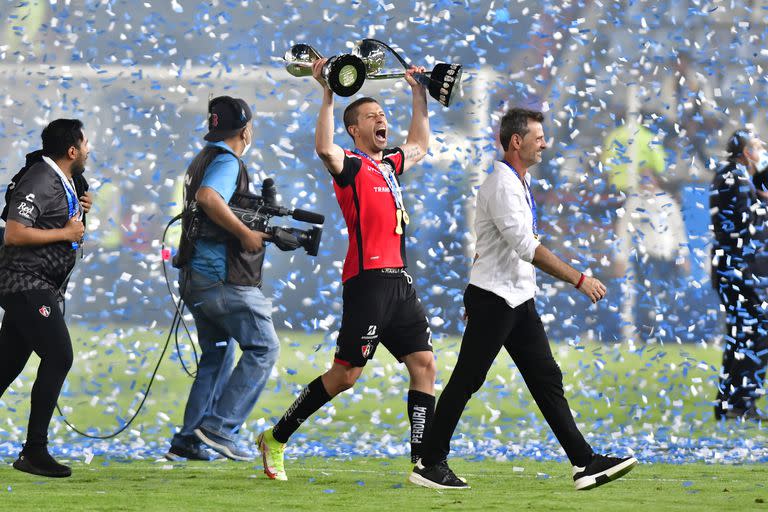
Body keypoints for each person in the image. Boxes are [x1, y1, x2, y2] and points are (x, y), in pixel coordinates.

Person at [409, 108, 637, 490]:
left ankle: (584, 463)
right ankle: (429, 463)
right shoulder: (502, 185)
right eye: (538, 136)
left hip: (515, 299)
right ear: (517, 141)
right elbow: (526, 247)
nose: (545, 143)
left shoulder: (518, 181)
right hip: (496, 300)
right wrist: (579, 279)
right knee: (467, 380)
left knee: (546, 378)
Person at [256, 57, 433, 480]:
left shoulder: (389, 165)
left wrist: (418, 92)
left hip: (400, 282)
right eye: (372, 116)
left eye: (383, 115)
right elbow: (323, 148)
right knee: (346, 375)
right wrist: (328, 93)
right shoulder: (350, 165)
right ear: (355, 130)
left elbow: (421, 146)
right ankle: (276, 438)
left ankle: (423, 462)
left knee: (424, 365)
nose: (381, 119)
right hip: (368, 283)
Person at [166, 96, 279, 461]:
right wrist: (246, 234)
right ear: (245, 130)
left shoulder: (202, 158)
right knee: (263, 347)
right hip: (219, 279)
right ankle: (218, 428)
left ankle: (189, 440)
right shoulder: (228, 161)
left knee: (217, 355)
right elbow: (208, 197)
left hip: (195, 277)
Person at [0, 118, 92, 477]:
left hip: (37, 284)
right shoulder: (41, 177)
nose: (88, 150)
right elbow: (14, 233)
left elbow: (61, 224)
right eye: (85, 144)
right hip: (25, 282)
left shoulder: (62, 179)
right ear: (72, 150)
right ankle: (34, 451)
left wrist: (83, 210)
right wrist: (67, 231)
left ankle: (34, 450)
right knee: (59, 355)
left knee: (6, 366)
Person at [710, 129, 768, 421]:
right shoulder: (736, 178)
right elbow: (747, 226)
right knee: (757, 333)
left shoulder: (732, 176)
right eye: (757, 147)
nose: (762, 151)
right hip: (739, 270)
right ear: (746, 152)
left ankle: (728, 403)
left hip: (733, 269)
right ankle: (741, 403)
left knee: (740, 335)